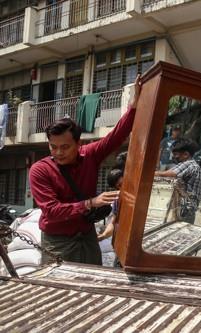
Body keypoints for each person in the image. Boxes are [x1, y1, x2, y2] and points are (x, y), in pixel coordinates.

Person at [29, 75, 141, 265]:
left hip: (87, 235)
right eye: (52, 147)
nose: (58, 152)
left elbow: (115, 137)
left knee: (92, 282)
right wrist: (90, 203)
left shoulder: (89, 154)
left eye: (64, 147)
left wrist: (134, 106)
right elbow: (51, 211)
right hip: (58, 241)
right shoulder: (40, 170)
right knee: (59, 289)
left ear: (78, 144)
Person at [155, 138, 201, 224]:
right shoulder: (191, 165)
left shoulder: (189, 164)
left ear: (186, 154)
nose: (174, 157)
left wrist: (149, 174)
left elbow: (168, 174)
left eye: (176, 154)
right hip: (186, 209)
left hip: (185, 209)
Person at [97, 168, 123, 242]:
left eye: (124, 183)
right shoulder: (118, 201)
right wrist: (103, 235)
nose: (123, 187)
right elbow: (112, 222)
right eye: (119, 186)